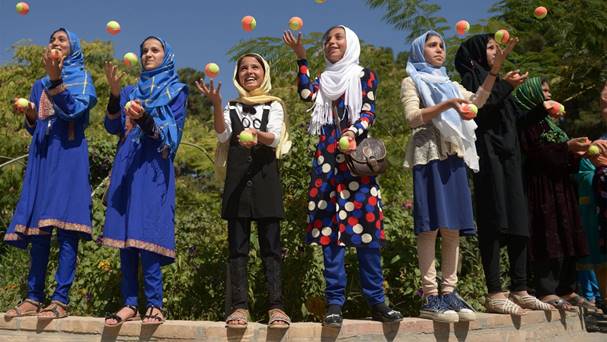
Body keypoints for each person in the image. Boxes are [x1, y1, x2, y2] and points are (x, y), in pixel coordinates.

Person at [283, 25, 402, 327]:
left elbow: (368, 111)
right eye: (327, 39)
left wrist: (352, 131)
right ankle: (335, 302)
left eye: (338, 38)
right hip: (326, 162)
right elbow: (306, 93)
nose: (331, 42)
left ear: (351, 43)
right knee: (329, 234)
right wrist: (301, 59)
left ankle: (377, 301)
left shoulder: (364, 75)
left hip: (357, 161)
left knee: (367, 233)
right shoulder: (323, 80)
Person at [402, 30, 514, 322]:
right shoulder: (412, 80)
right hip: (427, 155)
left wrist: (495, 71)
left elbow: (478, 101)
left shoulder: (450, 84)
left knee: (452, 227)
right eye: (432, 45)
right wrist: (447, 106)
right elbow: (413, 118)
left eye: (442, 45)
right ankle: (430, 295)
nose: (439, 50)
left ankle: (449, 291)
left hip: (454, 155)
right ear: (419, 50)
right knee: (429, 225)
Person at [4, 28, 97, 320]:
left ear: (73, 48)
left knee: (67, 228)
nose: (55, 43)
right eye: (52, 40)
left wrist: (57, 80)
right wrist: (30, 113)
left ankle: (60, 299)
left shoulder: (82, 80)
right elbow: (35, 126)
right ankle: (33, 297)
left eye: (62, 40)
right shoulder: (39, 83)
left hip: (69, 156)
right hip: (43, 156)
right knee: (39, 229)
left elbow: (73, 113)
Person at [195, 53, 291, 329]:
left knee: (271, 248)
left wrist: (256, 136)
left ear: (264, 72)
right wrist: (215, 104)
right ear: (237, 75)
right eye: (244, 68)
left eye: (255, 67)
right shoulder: (231, 106)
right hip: (237, 184)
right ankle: (239, 308)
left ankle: (276, 307)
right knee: (237, 249)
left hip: (265, 180)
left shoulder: (274, 104)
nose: (249, 72)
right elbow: (222, 135)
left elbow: (274, 137)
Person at [454, 34, 548, 315]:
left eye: (497, 47)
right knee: (494, 220)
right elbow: (480, 108)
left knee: (519, 220)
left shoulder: (500, 83)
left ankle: (520, 289)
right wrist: (504, 83)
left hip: (510, 157)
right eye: (491, 47)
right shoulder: (470, 80)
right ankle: (495, 291)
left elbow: (512, 119)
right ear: (476, 54)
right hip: (488, 157)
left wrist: (541, 110)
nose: (497, 52)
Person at [102, 36, 188, 327]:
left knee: (148, 233)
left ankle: (154, 303)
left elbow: (171, 134)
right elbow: (113, 126)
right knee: (127, 237)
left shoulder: (176, 91)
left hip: (154, 169)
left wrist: (144, 120)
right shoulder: (130, 91)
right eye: (145, 51)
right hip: (127, 166)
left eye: (155, 50)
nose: (148, 54)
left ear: (167, 54)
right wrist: (115, 95)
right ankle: (129, 304)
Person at [513, 77, 591, 311]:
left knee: (566, 233)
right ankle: (546, 290)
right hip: (540, 189)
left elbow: (562, 155)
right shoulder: (526, 123)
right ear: (531, 94)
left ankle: (566, 288)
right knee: (546, 235)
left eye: (549, 91)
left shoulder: (552, 124)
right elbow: (536, 154)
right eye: (542, 91)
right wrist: (567, 148)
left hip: (561, 187)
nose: (548, 95)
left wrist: (578, 154)